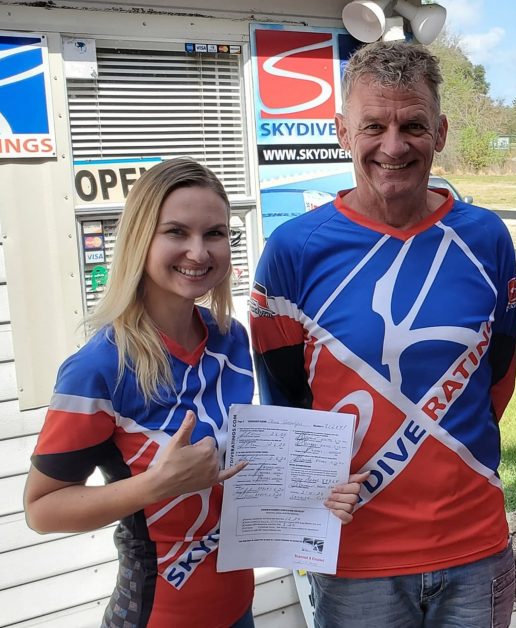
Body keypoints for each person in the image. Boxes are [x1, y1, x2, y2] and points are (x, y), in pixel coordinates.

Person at [24, 158, 363, 628]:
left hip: (237, 608)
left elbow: (241, 469)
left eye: (216, 234)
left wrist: (316, 493)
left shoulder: (230, 337)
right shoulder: (98, 368)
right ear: (141, 239)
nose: (199, 252)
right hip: (158, 614)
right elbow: (42, 509)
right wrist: (154, 486)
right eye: (177, 232)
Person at [249, 41, 516, 628]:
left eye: (412, 125)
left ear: (441, 131)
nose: (392, 147)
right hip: (354, 556)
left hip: (473, 545)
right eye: (374, 125)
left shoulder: (486, 238)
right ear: (343, 129)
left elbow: (496, 382)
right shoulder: (293, 251)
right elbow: (285, 404)